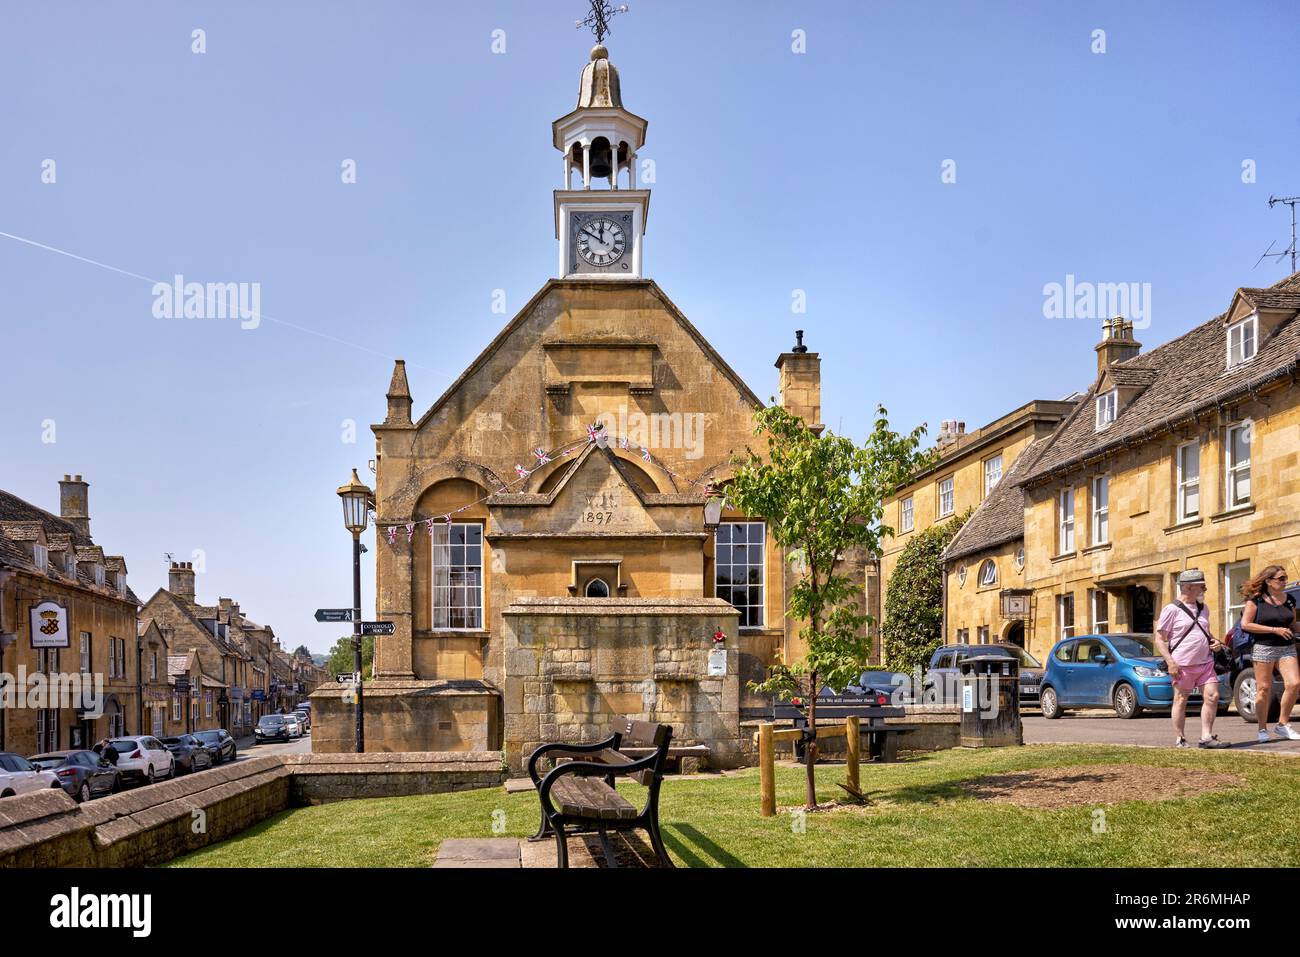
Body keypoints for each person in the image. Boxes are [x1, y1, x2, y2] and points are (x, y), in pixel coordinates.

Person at [1154, 569, 1229, 749]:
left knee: (1213, 696)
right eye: (1201, 585)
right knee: (1181, 699)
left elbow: (1205, 632)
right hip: (1182, 665)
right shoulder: (1171, 610)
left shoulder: (1204, 608)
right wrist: (1171, 662)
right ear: (1188, 587)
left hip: (1205, 662)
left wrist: (1215, 643)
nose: (1205, 588)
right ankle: (1180, 738)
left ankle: (1206, 737)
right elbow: (1159, 639)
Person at [1238, 564, 1300, 742]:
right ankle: (1262, 729)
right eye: (1281, 578)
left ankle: (1282, 725)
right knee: (1264, 688)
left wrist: (1294, 629)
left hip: (1287, 647)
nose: (1285, 581)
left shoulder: (1289, 600)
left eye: (1285, 577)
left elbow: (1293, 624)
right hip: (1264, 647)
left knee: (1294, 684)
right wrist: (1274, 630)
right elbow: (1246, 624)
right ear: (1268, 581)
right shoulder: (1255, 600)